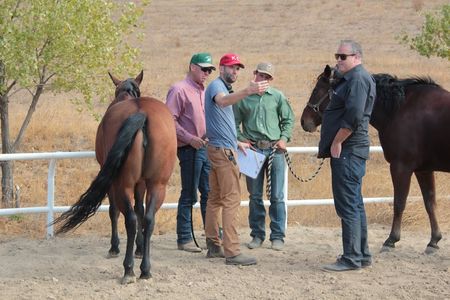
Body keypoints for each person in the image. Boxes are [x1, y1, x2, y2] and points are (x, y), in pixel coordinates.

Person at [204, 53, 268, 266]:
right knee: (232, 200)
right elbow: (222, 102)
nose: (235, 71)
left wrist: (235, 140)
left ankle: (214, 245)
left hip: (217, 148)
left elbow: (220, 115)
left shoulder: (219, 86)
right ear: (221, 68)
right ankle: (232, 251)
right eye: (232, 67)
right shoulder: (217, 87)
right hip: (223, 152)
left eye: (238, 68)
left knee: (215, 198)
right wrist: (247, 91)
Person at [318, 40, 376, 272]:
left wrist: (337, 142)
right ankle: (361, 255)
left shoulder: (358, 79)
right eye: (337, 56)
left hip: (348, 150)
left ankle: (351, 257)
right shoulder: (352, 79)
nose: (338, 61)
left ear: (357, 57)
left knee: (348, 205)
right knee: (355, 203)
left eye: (343, 57)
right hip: (350, 150)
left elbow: (353, 116)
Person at [233, 62, 294, 251]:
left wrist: (284, 138)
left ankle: (277, 236)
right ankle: (257, 235)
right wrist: (241, 139)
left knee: (277, 195)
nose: (263, 79)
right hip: (252, 151)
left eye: (267, 77)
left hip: (274, 149)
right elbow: (233, 123)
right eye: (261, 75)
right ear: (254, 74)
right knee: (255, 196)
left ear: (271, 79)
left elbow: (288, 120)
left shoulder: (277, 97)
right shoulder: (244, 98)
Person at [166, 52, 215, 252]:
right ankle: (184, 238)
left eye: (210, 70)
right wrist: (190, 138)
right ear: (193, 67)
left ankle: (212, 236)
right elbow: (169, 120)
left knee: (209, 193)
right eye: (204, 69)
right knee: (189, 194)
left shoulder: (205, 91)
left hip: (205, 147)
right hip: (189, 148)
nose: (207, 73)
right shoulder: (179, 90)